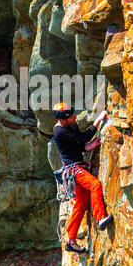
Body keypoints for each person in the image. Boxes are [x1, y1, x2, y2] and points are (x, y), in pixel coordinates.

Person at [52, 102, 113, 253]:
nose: (74, 117)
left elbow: (79, 145)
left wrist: (92, 145)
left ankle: (71, 240)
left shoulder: (70, 126)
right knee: (95, 184)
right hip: (74, 170)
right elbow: (84, 136)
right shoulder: (59, 131)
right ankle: (100, 218)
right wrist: (98, 120)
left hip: (77, 167)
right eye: (71, 116)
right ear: (64, 119)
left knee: (81, 203)